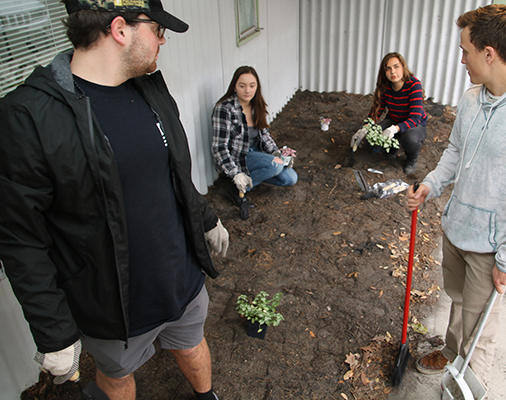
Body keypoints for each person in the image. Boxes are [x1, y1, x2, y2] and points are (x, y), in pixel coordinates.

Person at [0, 1, 228, 399]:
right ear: (120, 29)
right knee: (118, 376)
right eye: (158, 30)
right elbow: (20, 237)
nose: (162, 40)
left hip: (181, 278)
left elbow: (173, 172)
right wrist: (54, 331)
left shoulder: (151, 88)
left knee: (191, 343)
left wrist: (205, 218)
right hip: (111, 305)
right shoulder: (29, 117)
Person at [407, 4, 506, 382]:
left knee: (480, 330)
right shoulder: (471, 99)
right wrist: (431, 184)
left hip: (492, 246)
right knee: (459, 303)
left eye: (465, 51)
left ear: (489, 53)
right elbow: (456, 152)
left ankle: (467, 382)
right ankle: (450, 351)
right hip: (460, 226)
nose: (462, 59)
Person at [211, 66, 298, 219]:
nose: (247, 90)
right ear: (234, 86)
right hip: (237, 157)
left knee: (290, 178)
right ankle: (235, 189)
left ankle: (251, 178)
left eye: (252, 85)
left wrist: (276, 153)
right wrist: (235, 173)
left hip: (256, 153)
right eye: (242, 86)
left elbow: (265, 136)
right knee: (275, 166)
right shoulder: (225, 109)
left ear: (257, 86)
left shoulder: (256, 104)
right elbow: (219, 148)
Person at [350, 52, 427, 175]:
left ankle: (412, 159)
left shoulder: (414, 85)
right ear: (384, 72)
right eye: (388, 69)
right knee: (370, 140)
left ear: (403, 67)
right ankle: (393, 147)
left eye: (396, 66)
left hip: (414, 124)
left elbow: (415, 117)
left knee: (410, 139)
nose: (393, 72)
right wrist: (364, 130)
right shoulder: (385, 87)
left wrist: (393, 129)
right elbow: (376, 111)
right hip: (394, 119)